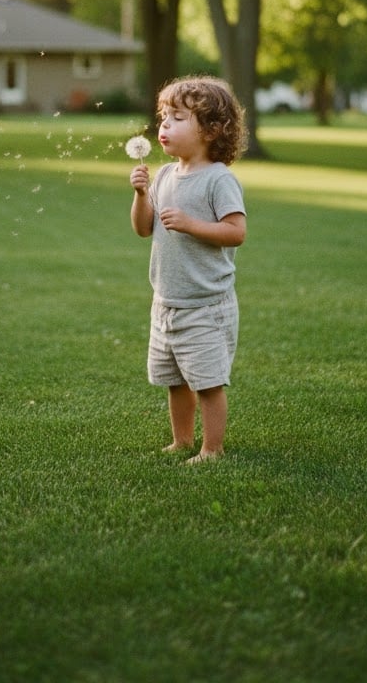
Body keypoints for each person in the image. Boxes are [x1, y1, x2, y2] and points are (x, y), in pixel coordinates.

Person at [129, 76, 247, 465]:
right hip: (166, 302)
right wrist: (141, 195)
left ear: (211, 130)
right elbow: (144, 228)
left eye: (177, 117)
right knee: (175, 380)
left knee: (208, 382)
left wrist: (191, 224)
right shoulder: (162, 176)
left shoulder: (219, 180)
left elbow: (235, 232)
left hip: (205, 305)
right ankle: (182, 441)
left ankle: (212, 449)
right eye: (164, 116)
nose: (164, 125)